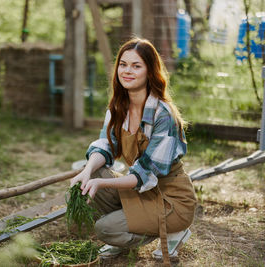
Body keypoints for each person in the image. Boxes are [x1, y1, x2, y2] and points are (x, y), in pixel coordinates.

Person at [70, 37, 197, 266]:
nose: (127, 71)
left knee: (104, 228)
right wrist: (86, 172)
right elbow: (106, 145)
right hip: (142, 191)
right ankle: (130, 222)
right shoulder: (119, 107)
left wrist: (101, 184)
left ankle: (172, 233)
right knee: (93, 174)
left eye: (136, 66)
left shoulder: (163, 115)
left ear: (150, 72)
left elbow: (142, 175)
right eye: (123, 64)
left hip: (170, 199)